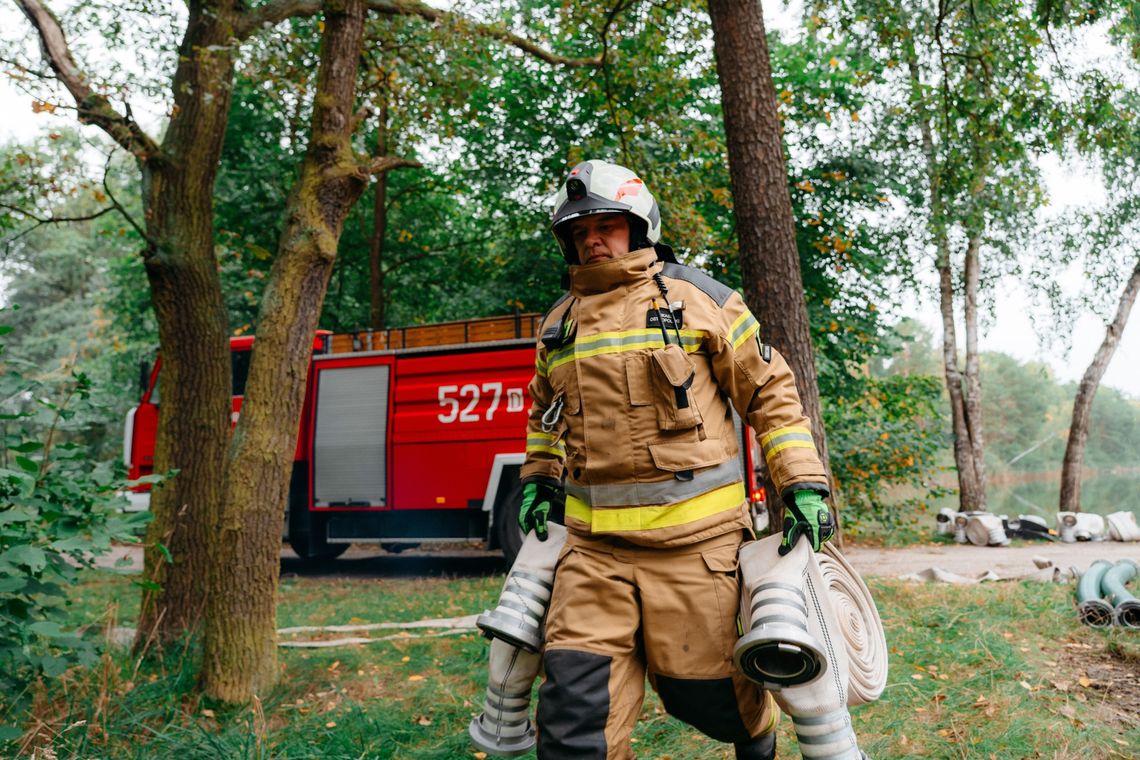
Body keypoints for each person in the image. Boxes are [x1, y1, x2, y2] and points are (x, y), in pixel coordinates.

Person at [518, 159, 834, 760]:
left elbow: (770, 394)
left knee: (712, 702)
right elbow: (544, 415)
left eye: (606, 224)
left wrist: (803, 484)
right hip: (592, 553)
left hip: (698, 548)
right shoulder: (559, 325)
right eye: (579, 229)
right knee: (572, 723)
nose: (592, 238)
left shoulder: (701, 300)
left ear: (639, 228)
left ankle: (757, 743)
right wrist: (539, 476)